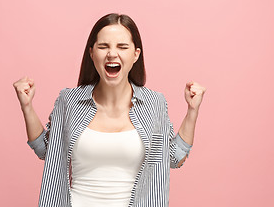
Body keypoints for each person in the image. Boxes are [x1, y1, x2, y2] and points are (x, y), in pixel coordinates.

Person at [13, 13, 206, 207]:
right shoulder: (68, 101)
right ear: (91, 53)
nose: (112, 54)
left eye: (122, 47)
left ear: (135, 55)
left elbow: (174, 158)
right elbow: (46, 150)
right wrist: (27, 107)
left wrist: (192, 111)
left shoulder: (154, 104)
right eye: (103, 46)